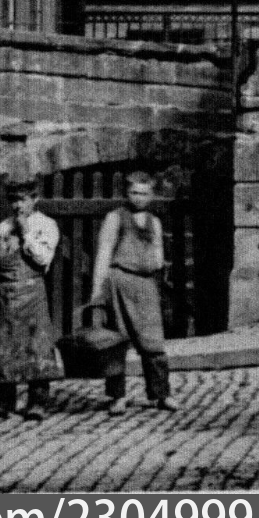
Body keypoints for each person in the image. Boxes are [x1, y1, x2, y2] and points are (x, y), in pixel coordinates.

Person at [91, 169, 172, 415]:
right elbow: (104, 253)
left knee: (153, 342)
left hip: (146, 285)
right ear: (127, 193)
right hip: (120, 282)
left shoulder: (154, 222)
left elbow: (158, 253)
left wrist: (155, 264)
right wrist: (98, 290)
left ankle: (161, 394)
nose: (139, 198)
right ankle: (117, 397)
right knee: (116, 342)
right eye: (134, 192)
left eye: (144, 194)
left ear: (152, 195)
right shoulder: (115, 218)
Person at [0, 177, 60, 420]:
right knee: (3, 347)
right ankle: (3, 402)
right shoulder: (3, 227)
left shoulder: (46, 225)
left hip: (32, 292)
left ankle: (38, 401)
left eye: (23, 200)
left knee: (37, 346)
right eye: (14, 200)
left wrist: (26, 233)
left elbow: (42, 258)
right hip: (6, 294)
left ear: (35, 199)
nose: (18, 205)